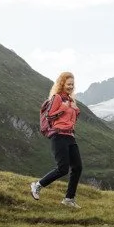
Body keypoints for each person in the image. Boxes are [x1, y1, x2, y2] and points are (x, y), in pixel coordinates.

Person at [31, 71, 83, 209]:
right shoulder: (57, 98)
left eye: (72, 84)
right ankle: (37, 185)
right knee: (62, 168)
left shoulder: (71, 100)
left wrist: (75, 111)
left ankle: (69, 199)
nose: (71, 86)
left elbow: (69, 119)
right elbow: (49, 116)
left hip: (70, 136)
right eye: (68, 84)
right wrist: (64, 108)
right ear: (62, 84)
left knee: (77, 167)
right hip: (58, 136)